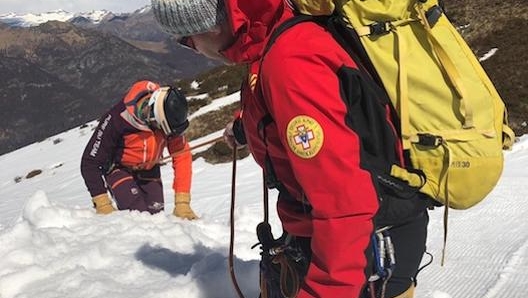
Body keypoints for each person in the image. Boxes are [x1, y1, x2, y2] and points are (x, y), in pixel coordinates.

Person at [151, 1, 432, 297]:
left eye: (185, 40)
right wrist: (246, 127)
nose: (191, 48)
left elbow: (343, 199)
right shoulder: (275, 29)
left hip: (362, 248)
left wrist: (326, 290)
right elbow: (312, 109)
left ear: (209, 25)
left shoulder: (289, 60)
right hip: (351, 235)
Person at [80, 80, 198, 220]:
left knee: (157, 218)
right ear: (152, 116)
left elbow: (182, 156)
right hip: (118, 169)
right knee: (139, 217)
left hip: (149, 169)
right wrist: (102, 202)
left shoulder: (169, 119)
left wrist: (182, 201)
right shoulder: (117, 119)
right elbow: (89, 162)